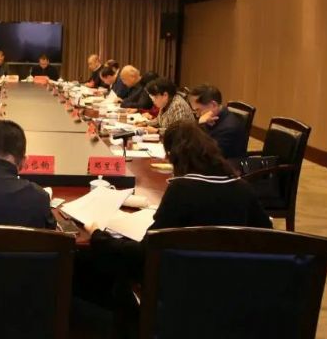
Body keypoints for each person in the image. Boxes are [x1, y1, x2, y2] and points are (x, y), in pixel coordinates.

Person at [80, 121, 272, 293]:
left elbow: (145, 253)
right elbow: (268, 237)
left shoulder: (182, 190)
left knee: (89, 262)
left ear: (175, 156)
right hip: (231, 286)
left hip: (181, 287)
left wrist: (99, 236)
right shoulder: (242, 188)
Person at [189, 84, 248, 160]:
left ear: (213, 105)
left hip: (226, 165)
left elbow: (207, 156)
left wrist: (199, 125)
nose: (197, 115)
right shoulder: (210, 118)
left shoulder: (229, 128)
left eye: (198, 110)